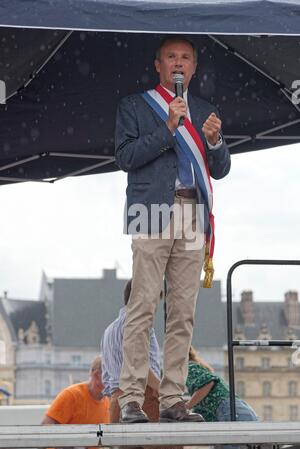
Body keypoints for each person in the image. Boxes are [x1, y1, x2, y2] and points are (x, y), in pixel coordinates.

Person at [115, 35, 231, 423]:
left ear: (194, 68)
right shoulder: (134, 106)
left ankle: (172, 399)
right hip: (149, 211)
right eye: (171, 57)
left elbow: (221, 168)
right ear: (158, 65)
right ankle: (130, 398)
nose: (178, 63)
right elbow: (126, 156)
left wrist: (214, 142)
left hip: (192, 212)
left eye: (185, 58)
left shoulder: (204, 109)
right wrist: (168, 128)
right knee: (142, 305)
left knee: (182, 312)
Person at [101, 279, 161, 424]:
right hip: (143, 398)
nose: (155, 307)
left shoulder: (109, 330)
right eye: (155, 299)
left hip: (117, 402)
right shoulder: (140, 325)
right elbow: (139, 364)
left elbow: (106, 377)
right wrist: (162, 389)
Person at [186, 346, 258, 449]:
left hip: (229, 412)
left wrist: (186, 406)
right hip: (239, 411)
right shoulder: (197, 367)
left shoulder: (189, 367)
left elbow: (208, 382)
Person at [41, 356, 110, 425]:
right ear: (97, 375)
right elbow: (45, 428)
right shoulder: (71, 396)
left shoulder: (108, 402)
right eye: (112, 376)